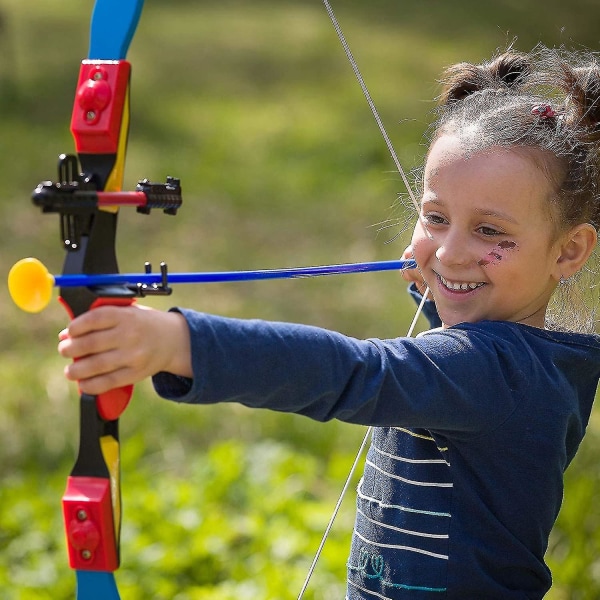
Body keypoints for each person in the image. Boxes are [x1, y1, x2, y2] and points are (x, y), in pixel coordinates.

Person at [58, 46, 600, 599]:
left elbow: (352, 372)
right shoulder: (512, 364)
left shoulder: (500, 373)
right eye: (435, 219)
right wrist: (446, 300)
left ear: (568, 251)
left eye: (491, 232)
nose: (450, 253)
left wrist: (178, 343)